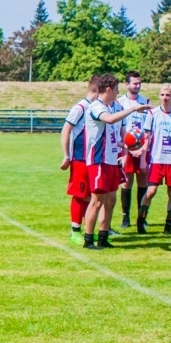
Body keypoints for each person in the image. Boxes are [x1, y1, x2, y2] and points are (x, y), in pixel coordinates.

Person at [83, 73, 150, 249]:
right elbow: (110, 120)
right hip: (99, 160)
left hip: (112, 161)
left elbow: (115, 135)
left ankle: (103, 237)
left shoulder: (113, 106)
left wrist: (129, 147)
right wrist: (134, 109)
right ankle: (88, 239)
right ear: (108, 89)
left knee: (110, 200)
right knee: (97, 201)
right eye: (116, 89)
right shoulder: (96, 107)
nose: (118, 92)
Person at [136, 85, 171, 234]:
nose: (165, 98)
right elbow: (146, 138)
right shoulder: (152, 114)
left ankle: (168, 227)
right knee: (151, 191)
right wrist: (143, 159)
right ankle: (140, 221)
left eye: (167, 95)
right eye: (162, 95)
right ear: (159, 96)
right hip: (156, 159)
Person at [60, 75, 99, 245]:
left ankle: (88, 229)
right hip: (79, 158)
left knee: (91, 195)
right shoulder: (81, 107)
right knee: (79, 194)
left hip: (92, 158)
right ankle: (75, 231)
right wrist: (67, 155)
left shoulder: (96, 108)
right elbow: (66, 130)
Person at [116, 71, 151, 228]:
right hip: (126, 149)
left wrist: (143, 149)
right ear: (127, 84)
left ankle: (141, 216)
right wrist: (125, 151)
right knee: (127, 182)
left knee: (143, 181)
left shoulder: (145, 102)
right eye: (134, 83)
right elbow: (118, 128)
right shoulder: (120, 103)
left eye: (139, 83)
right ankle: (125, 217)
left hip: (142, 149)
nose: (137, 85)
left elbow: (149, 129)